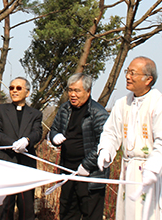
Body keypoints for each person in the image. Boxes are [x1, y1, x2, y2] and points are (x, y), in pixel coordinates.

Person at [97, 56, 162, 220]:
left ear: (148, 79)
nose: (127, 76)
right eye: (127, 71)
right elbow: (111, 133)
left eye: (133, 73)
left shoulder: (160, 105)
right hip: (130, 169)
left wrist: (153, 168)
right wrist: (106, 149)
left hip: (156, 172)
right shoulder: (121, 104)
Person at [49, 73, 109, 220]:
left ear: (88, 92)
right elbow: (54, 129)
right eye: (70, 90)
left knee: (90, 215)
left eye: (77, 90)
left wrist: (87, 165)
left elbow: (104, 143)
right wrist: (54, 136)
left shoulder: (98, 113)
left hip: (90, 176)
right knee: (68, 213)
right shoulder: (64, 109)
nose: (73, 94)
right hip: (68, 172)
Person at [0, 77, 43, 220]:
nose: (14, 91)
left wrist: (26, 141)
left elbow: (37, 132)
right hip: (6, 163)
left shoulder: (35, 114)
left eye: (18, 88)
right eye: (11, 88)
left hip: (26, 165)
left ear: (27, 93)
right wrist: (13, 143)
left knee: (26, 207)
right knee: (4, 206)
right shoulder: (0, 110)